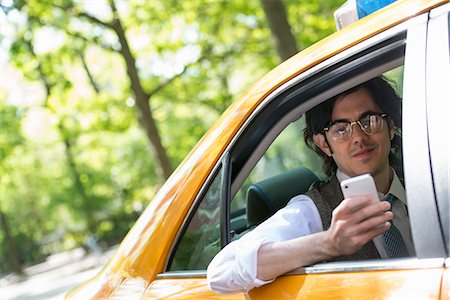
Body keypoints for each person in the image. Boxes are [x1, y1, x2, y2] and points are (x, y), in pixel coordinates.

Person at [206, 76, 415, 294]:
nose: (358, 137)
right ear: (324, 144)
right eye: (341, 129)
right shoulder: (312, 211)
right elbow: (221, 272)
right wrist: (329, 243)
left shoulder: (428, 180)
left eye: (369, 120)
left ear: (390, 126)